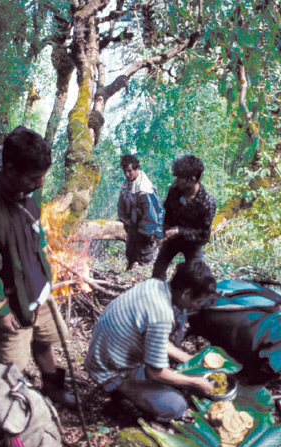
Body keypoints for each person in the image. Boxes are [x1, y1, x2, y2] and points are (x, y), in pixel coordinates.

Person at [0, 126, 75, 409]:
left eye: (42, 176)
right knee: (14, 367)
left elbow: (36, 236)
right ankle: (25, 408)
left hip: (38, 291)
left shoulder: (30, 195)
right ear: (10, 170)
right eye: (34, 177)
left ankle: (52, 389)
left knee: (44, 342)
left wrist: (45, 274)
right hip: (10, 304)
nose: (40, 184)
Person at [85, 261, 216, 422]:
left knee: (179, 313)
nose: (197, 305)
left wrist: (188, 360)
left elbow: (152, 334)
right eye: (198, 300)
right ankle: (123, 401)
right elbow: (154, 373)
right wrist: (194, 382)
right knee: (176, 406)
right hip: (111, 371)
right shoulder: (161, 316)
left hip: (105, 353)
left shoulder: (155, 285)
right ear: (186, 293)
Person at [152, 155, 217, 280]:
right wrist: (163, 233)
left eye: (180, 178)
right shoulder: (175, 190)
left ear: (192, 180)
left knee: (194, 277)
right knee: (158, 270)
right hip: (172, 240)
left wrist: (178, 231)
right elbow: (167, 213)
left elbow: (203, 236)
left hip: (192, 244)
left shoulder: (207, 203)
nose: (177, 181)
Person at [117, 154, 164, 270]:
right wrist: (126, 222)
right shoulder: (126, 185)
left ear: (137, 169)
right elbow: (121, 206)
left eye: (129, 171)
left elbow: (151, 214)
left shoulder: (144, 188)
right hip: (134, 226)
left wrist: (148, 234)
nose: (127, 174)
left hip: (148, 229)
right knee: (131, 254)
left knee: (145, 258)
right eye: (125, 171)